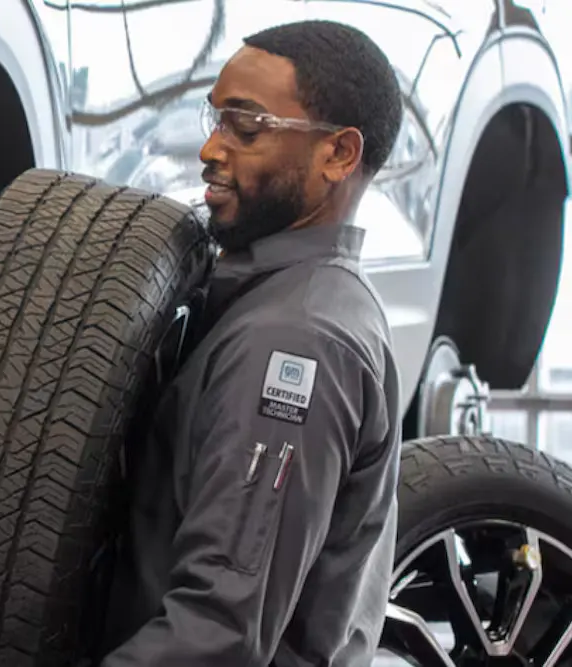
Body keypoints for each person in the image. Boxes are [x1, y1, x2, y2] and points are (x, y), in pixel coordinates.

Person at [98, 19, 406, 667]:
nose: (211, 149)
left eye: (246, 126)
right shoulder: (287, 301)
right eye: (215, 120)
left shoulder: (295, 341)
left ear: (339, 155)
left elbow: (217, 633)